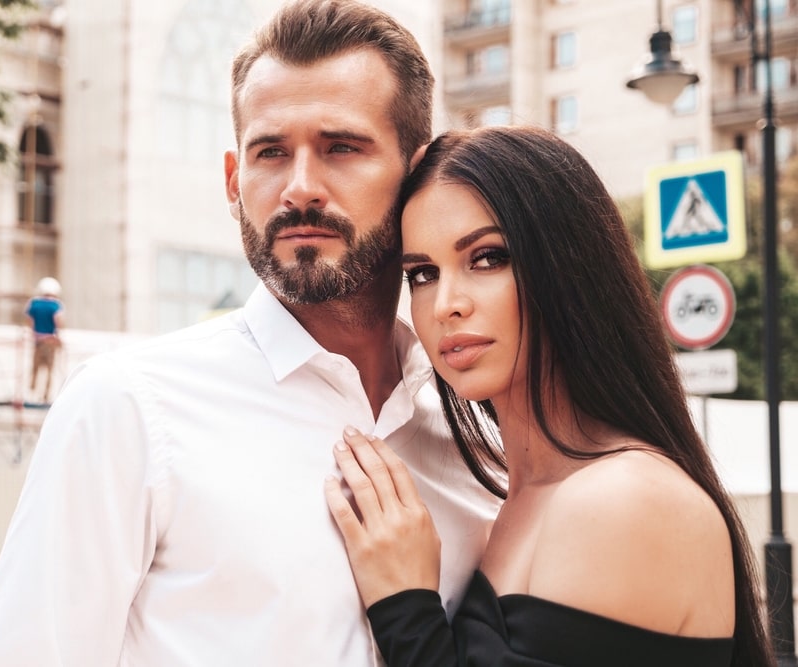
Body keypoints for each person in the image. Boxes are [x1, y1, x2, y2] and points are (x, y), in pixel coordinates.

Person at [0, 2, 501, 665]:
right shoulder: (128, 410)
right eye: (271, 152)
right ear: (233, 179)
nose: (300, 188)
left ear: (416, 175)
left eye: (341, 147)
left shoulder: (479, 439)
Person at [324, 126, 774, 667]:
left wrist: (406, 609)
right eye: (422, 273)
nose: (445, 304)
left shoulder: (624, 498)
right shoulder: (515, 498)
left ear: (569, 266)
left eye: (487, 258)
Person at [25, 276, 64, 403]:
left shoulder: (34, 303)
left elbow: (29, 321)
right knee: (49, 369)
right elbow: (58, 322)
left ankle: (32, 391)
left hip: (37, 340)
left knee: (35, 367)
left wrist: (33, 333)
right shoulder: (55, 305)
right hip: (50, 341)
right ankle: (45, 396)